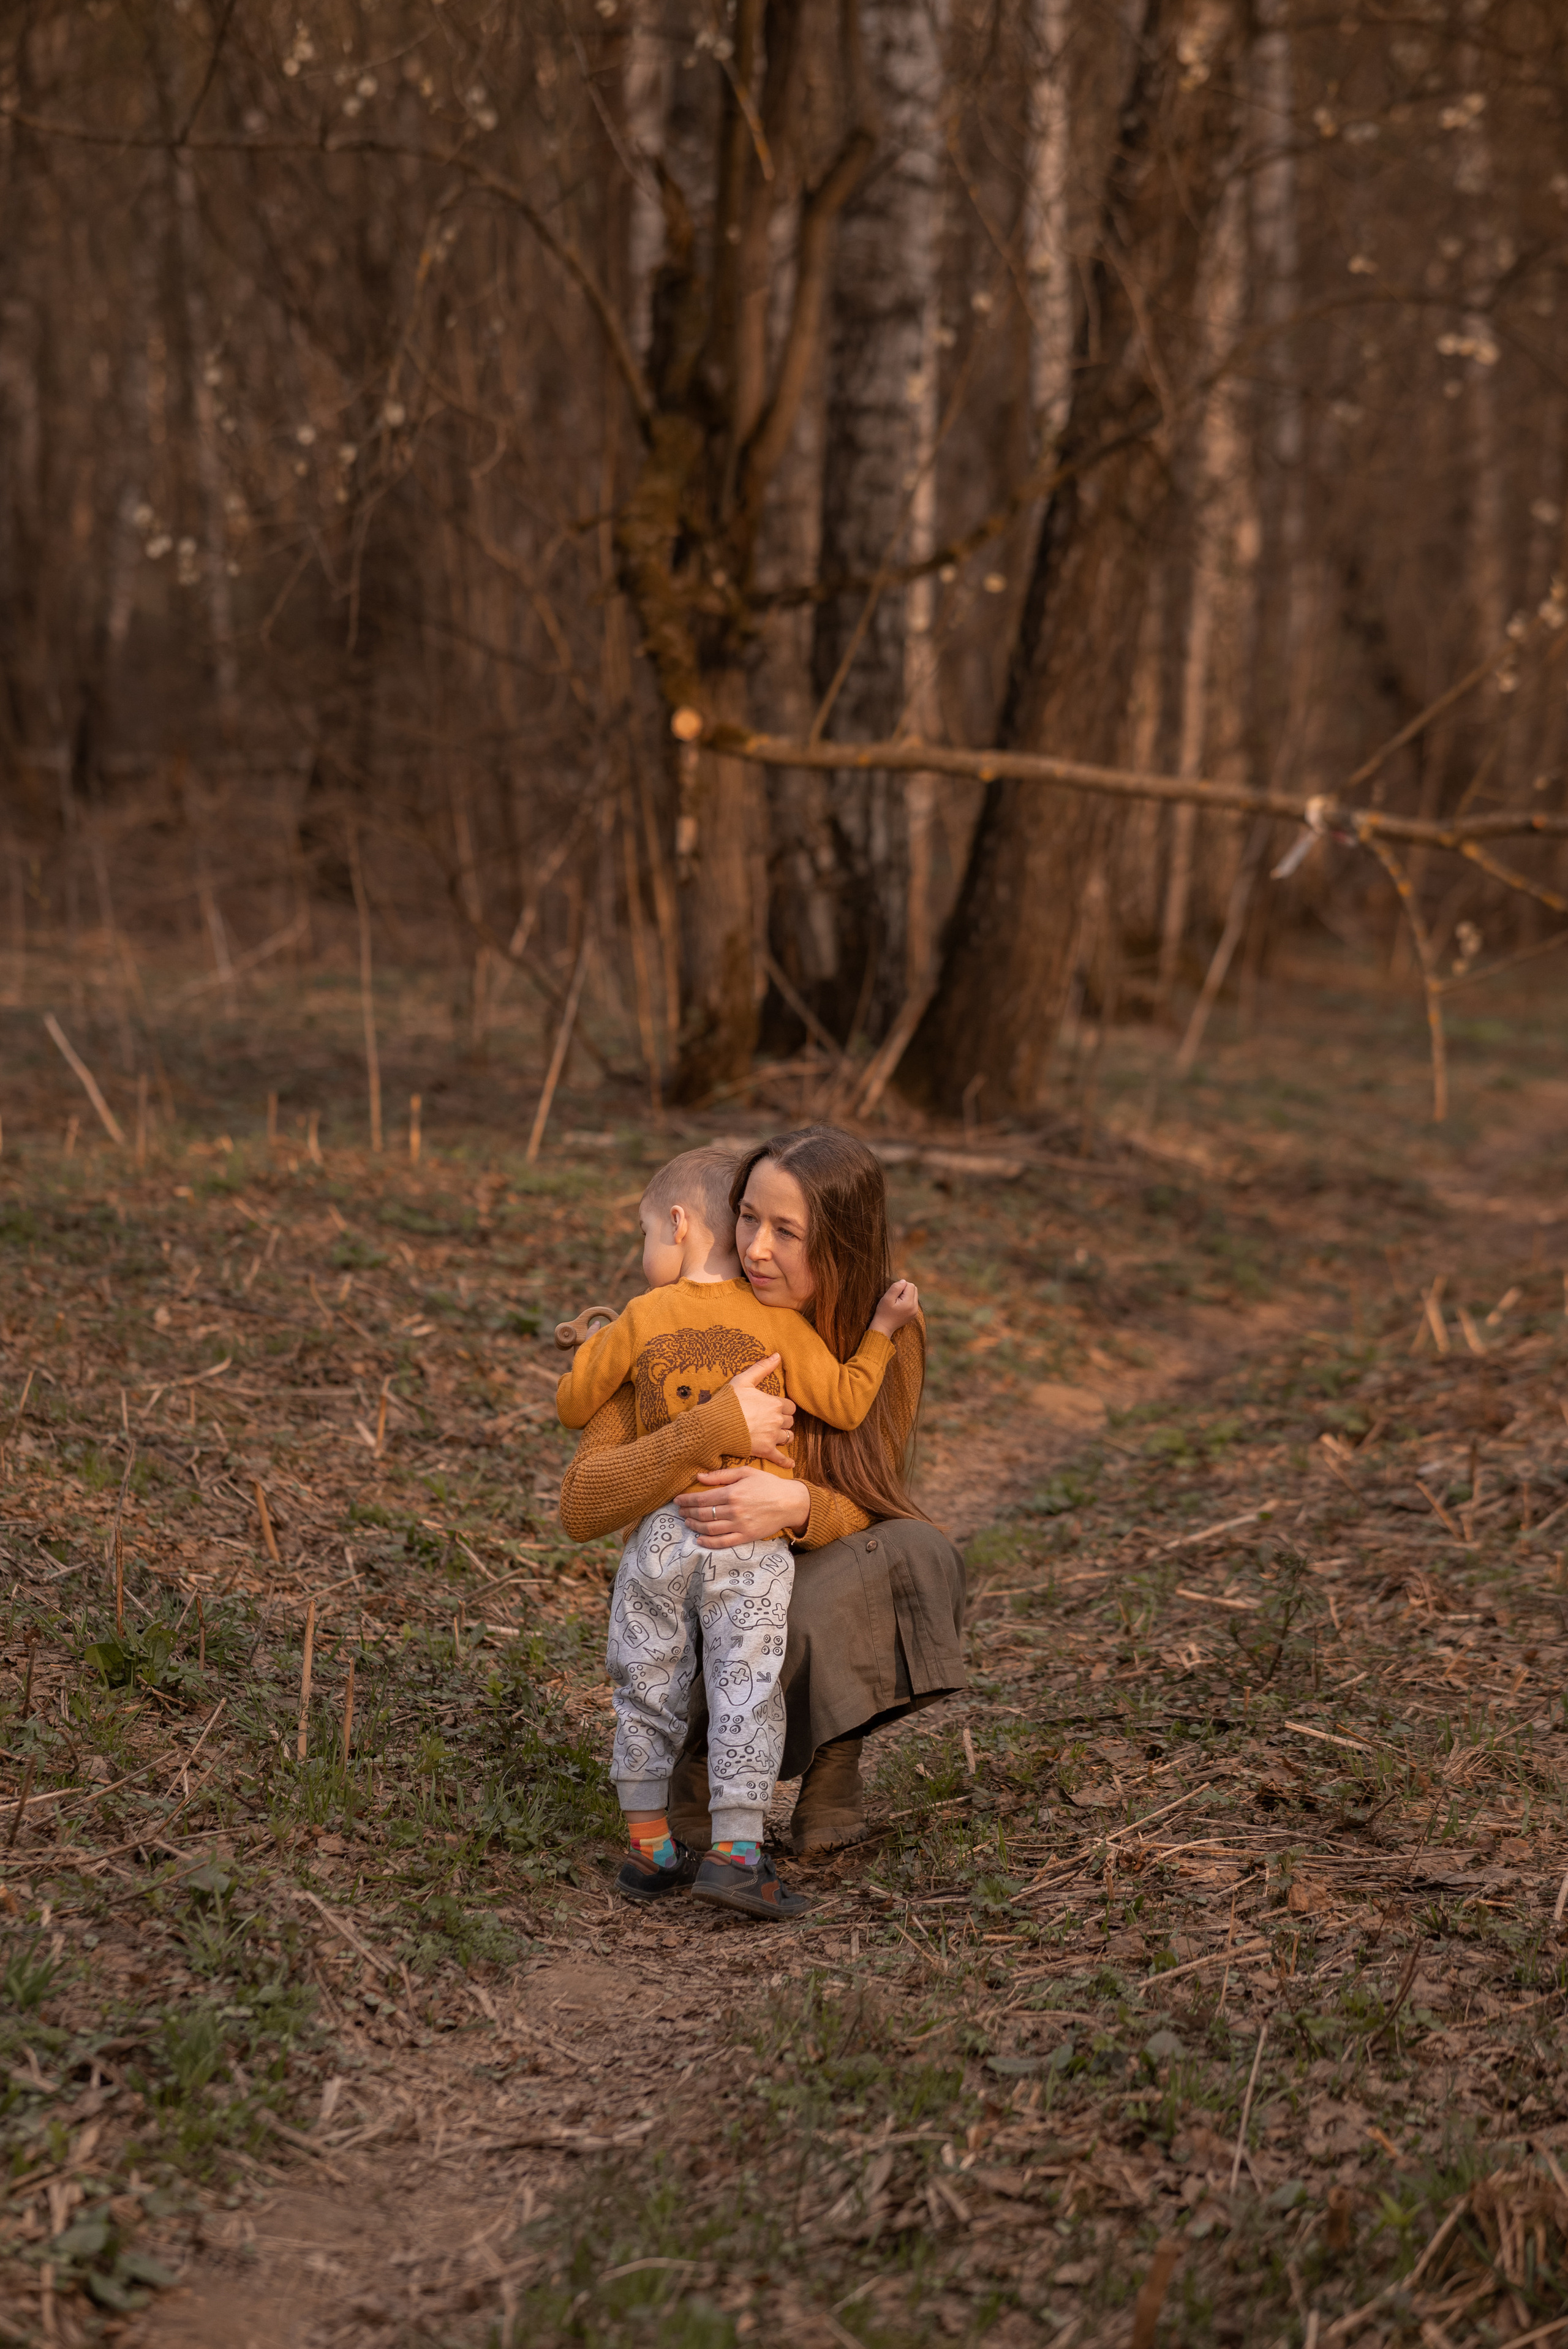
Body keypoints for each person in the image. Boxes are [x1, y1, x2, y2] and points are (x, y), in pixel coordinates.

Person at [557, 1124, 966, 1881]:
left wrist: (799, 1507)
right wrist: (708, 1427)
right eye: (747, 1217)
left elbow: (874, 1496)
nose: (754, 1249)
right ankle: (692, 1764)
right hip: (692, 1587)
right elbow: (582, 1504)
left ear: (841, 1243)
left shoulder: (885, 1335)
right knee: (717, 1592)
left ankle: (833, 1768)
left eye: (787, 1231)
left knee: (913, 1553)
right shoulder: (672, 1323)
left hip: (786, 1573)